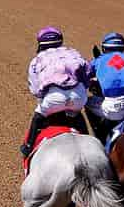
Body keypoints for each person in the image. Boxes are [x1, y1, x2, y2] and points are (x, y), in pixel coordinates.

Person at [21, 26, 90, 159]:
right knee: (77, 114)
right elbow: (87, 73)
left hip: (53, 100)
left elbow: (35, 90)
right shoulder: (73, 53)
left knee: (38, 116)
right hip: (78, 97)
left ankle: (28, 146)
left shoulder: (37, 60)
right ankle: (89, 139)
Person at [86, 32, 124, 150]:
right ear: (123, 47)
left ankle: (99, 136)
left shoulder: (98, 60)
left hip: (112, 108)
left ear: (104, 48)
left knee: (87, 103)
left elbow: (85, 77)